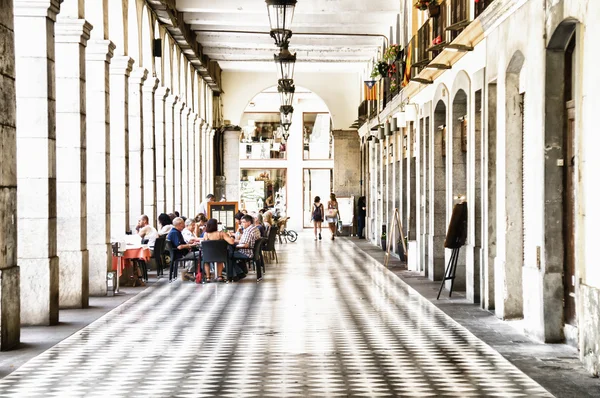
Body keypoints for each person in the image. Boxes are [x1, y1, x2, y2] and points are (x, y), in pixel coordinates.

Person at [202, 218, 234, 282]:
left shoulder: (206, 234)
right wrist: (231, 237)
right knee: (220, 261)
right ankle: (220, 276)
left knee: (206, 262)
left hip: (208, 255)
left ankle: (208, 277)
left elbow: (204, 242)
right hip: (220, 255)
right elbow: (231, 242)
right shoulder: (221, 234)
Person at [166, 217, 199, 281]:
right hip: (180, 254)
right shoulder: (175, 233)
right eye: (183, 224)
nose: (184, 226)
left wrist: (188, 244)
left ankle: (192, 271)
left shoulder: (176, 232)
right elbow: (179, 246)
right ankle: (190, 272)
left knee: (196, 253)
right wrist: (190, 245)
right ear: (179, 224)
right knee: (201, 254)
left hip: (181, 253)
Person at [232, 214, 260, 281]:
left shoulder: (248, 230)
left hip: (247, 252)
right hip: (253, 251)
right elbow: (244, 241)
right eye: (241, 222)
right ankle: (240, 271)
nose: (241, 224)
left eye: (243, 222)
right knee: (231, 252)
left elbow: (245, 245)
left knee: (227, 255)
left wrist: (234, 243)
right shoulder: (255, 228)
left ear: (249, 222)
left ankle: (238, 273)